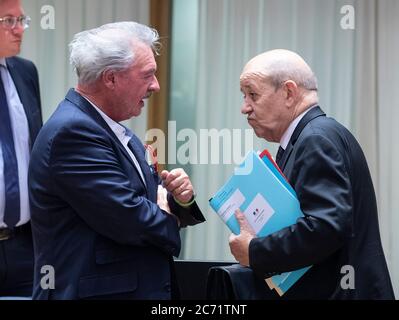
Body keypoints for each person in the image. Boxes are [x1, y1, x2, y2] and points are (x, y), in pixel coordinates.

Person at [28, 21, 205, 300]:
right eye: (147, 75)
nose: (156, 86)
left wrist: (177, 200)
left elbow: (142, 201)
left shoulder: (109, 127)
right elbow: (129, 219)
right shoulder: (73, 132)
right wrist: (166, 216)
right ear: (110, 78)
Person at [229, 49, 395, 299]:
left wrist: (256, 251)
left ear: (288, 93)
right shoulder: (311, 136)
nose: (245, 108)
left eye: (253, 94)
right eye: (244, 96)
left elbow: (326, 227)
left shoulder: (316, 139)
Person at [0, 0, 42, 297]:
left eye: (22, 20)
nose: (19, 30)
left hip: (25, 244)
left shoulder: (26, 72)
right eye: (8, 21)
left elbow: (34, 152)